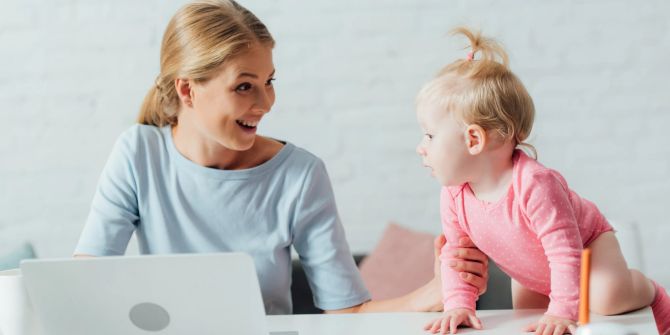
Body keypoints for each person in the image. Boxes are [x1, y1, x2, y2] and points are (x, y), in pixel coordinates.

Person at [73, 0, 490, 315]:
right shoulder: (138, 154)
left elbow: (345, 314)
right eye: (244, 86)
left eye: (269, 82)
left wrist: (433, 293)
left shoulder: (300, 175)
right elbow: (83, 284)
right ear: (187, 90)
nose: (265, 102)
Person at [415, 27, 670, 335]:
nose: (421, 147)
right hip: (533, 271)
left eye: (429, 135)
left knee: (608, 297)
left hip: (586, 247)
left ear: (473, 139)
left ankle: (646, 288)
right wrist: (459, 305)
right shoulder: (454, 194)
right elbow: (458, 257)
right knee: (530, 321)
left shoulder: (534, 183)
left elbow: (565, 251)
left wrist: (563, 310)